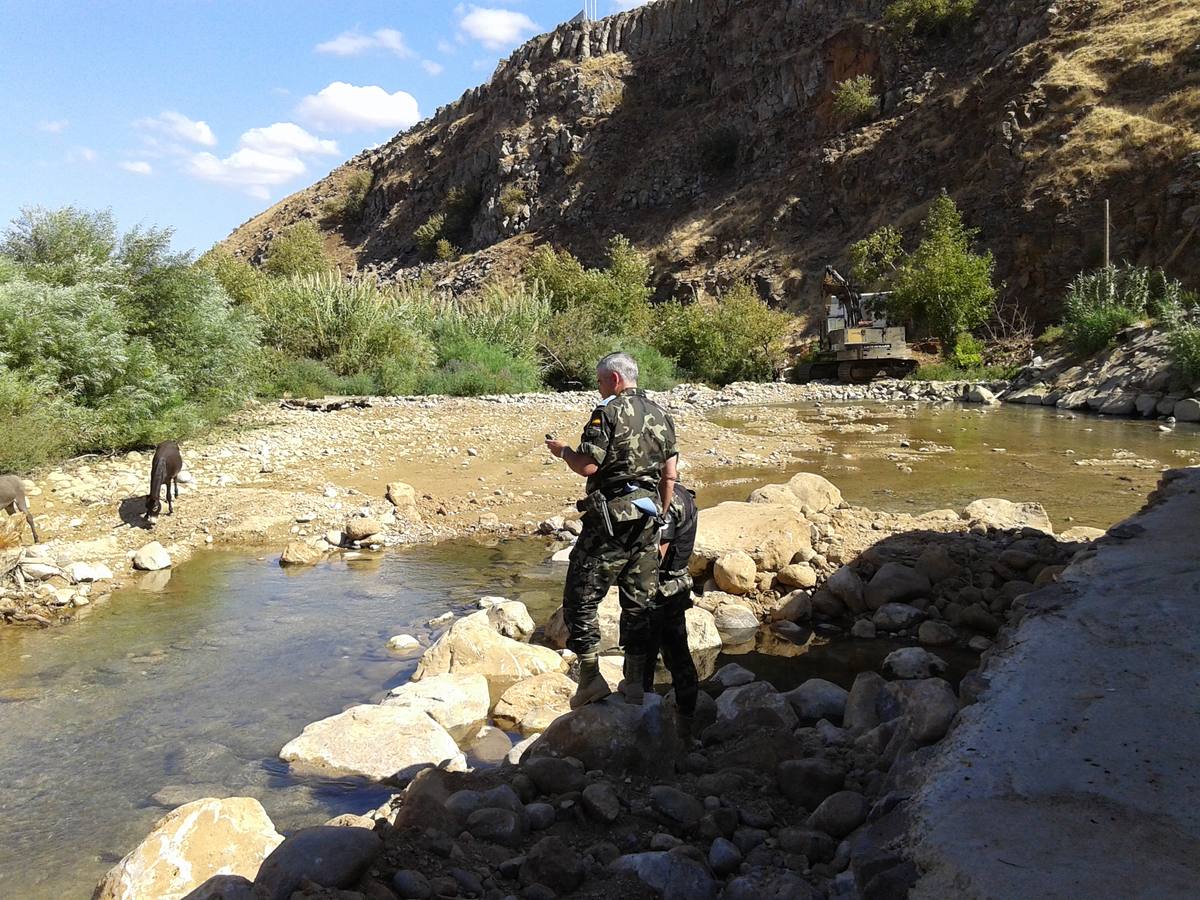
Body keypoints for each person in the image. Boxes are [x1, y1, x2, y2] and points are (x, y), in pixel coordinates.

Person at [545, 352, 678, 708]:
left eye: (601, 381)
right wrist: (662, 515)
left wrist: (563, 452)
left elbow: (588, 466)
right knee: (638, 604)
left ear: (616, 380)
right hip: (648, 521)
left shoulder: (607, 412)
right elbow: (670, 475)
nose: (599, 387)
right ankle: (634, 683)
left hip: (610, 524)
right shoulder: (662, 415)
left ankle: (589, 679)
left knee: (580, 599)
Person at [642, 480, 700, 741]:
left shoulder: (668, 501)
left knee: (645, 661)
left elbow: (656, 555)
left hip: (660, 592)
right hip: (672, 589)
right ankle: (685, 728)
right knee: (678, 658)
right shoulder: (679, 493)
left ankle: (652, 731)